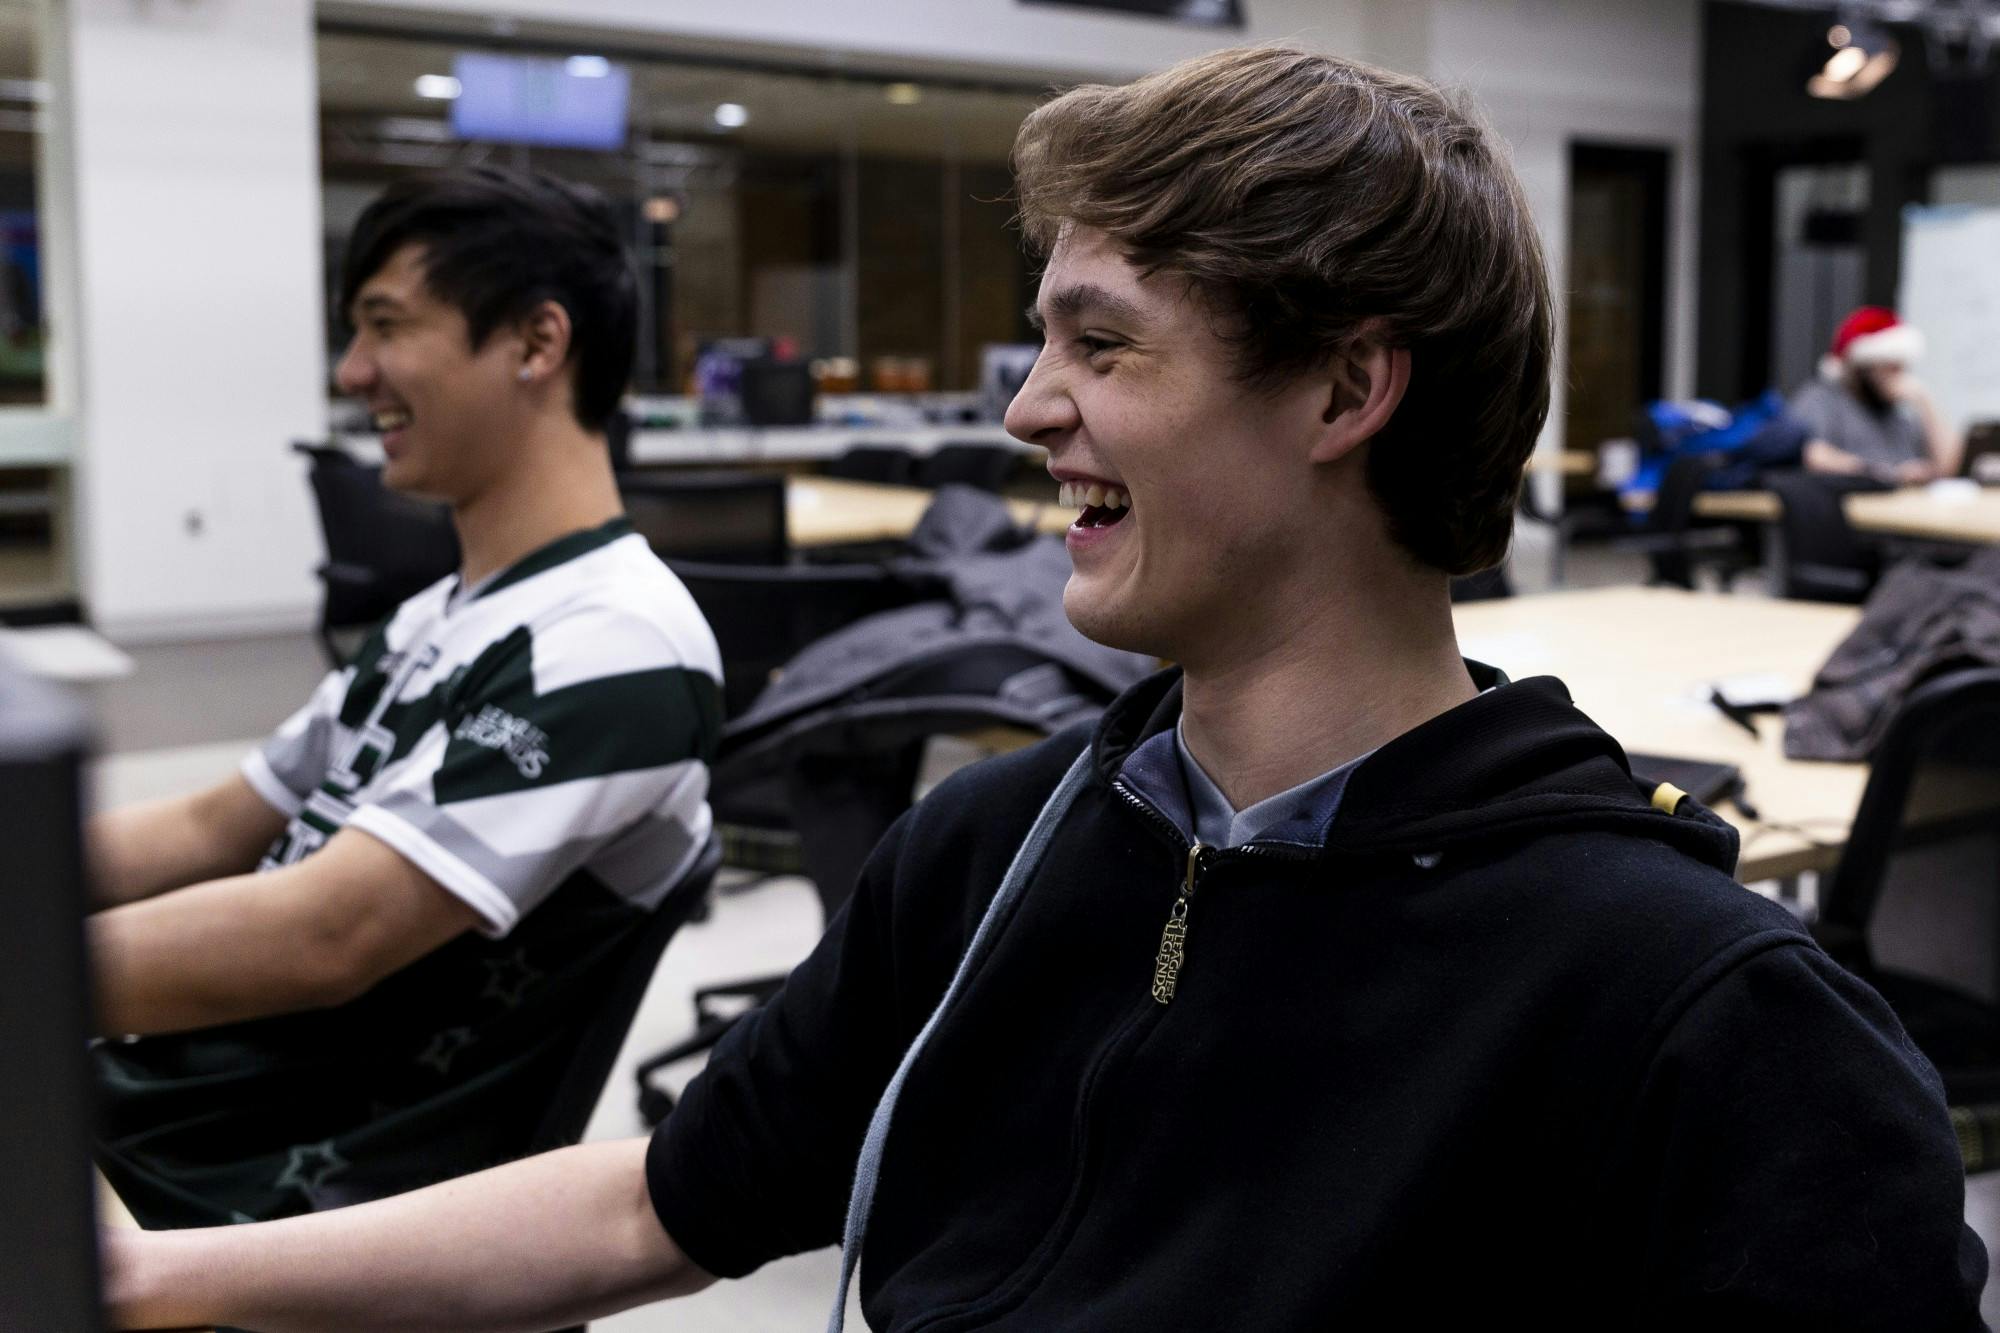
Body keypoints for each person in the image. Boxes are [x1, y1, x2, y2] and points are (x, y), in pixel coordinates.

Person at [102, 49, 1983, 1329]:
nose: (1026, 411)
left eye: (1103, 345)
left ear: (1345, 391)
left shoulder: (1704, 1022)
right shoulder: (1000, 847)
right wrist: (164, 1280)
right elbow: (652, 1204)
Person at [89, 166, 724, 1227]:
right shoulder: (440, 614)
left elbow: (326, 934)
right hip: (166, 1114)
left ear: (535, 344)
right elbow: (213, 823)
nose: (352, 372)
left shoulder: (617, 643)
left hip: (244, 1192)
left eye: (385, 326)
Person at [1792, 305, 1963, 483]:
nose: (1899, 376)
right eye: (1890, 367)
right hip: (1854, 506)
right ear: (1863, 366)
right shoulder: (1821, 398)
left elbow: (1949, 466)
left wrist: (1925, 400)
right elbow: (1812, 456)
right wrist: (1890, 474)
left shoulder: (1898, 414)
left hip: (1904, 506)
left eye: (1902, 367)